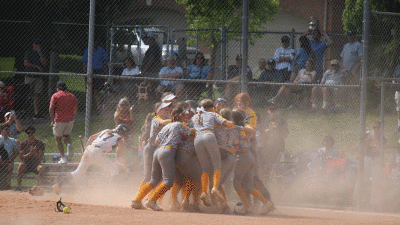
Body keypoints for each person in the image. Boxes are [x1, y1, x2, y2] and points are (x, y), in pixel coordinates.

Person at [132, 106, 194, 211]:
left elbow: (157, 141)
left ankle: (137, 200)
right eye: (183, 115)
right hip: (168, 151)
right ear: (179, 116)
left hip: (158, 151)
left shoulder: (167, 126)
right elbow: (192, 133)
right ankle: (151, 201)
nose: (185, 117)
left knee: (154, 180)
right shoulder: (179, 124)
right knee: (168, 181)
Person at [53, 124, 131, 194]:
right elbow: (120, 156)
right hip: (97, 152)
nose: (124, 137)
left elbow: (91, 138)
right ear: (123, 134)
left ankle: (58, 185)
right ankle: (116, 193)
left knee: (78, 173)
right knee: (114, 169)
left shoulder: (107, 131)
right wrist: (126, 167)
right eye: (125, 135)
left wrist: (86, 148)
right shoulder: (120, 140)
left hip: (89, 149)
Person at [189, 99, 234, 206]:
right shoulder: (212, 114)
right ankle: (214, 188)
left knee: (204, 168)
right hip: (209, 136)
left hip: (198, 138)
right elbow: (227, 123)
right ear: (210, 108)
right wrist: (232, 122)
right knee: (216, 165)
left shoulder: (195, 116)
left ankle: (204, 192)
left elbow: (190, 129)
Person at [231, 109, 275, 215]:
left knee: (236, 183)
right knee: (250, 186)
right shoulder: (248, 128)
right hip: (251, 156)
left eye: (230, 119)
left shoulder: (234, 128)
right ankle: (266, 203)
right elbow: (253, 138)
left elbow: (235, 143)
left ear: (233, 120)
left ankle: (248, 207)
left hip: (242, 157)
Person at [354, 121, 386, 211]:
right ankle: (356, 199)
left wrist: (375, 139)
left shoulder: (383, 139)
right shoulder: (368, 136)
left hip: (376, 159)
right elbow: (362, 147)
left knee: (376, 181)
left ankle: (374, 203)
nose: (376, 129)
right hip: (367, 158)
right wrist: (367, 140)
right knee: (361, 178)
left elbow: (381, 151)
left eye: (378, 128)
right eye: (375, 128)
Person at [49, 81, 78, 164]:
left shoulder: (55, 95)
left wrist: (52, 120)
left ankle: (63, 158)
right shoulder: (72, 96)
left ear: (58, 88)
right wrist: (71, 116)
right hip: (70, 120)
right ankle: (69, 147)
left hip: (59, 120)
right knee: (66, 136)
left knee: (58, 138)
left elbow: (51, 108)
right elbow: (75, 108)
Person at [82, 40, 109, 113]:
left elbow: (105, 61)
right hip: (90, 71)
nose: (94, 43)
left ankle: (99, 108)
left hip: (98, 71)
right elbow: (84, 61)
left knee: (96, 91)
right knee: (90, 91)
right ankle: (89, 109)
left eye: (95, 42)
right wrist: (85, 68)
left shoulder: (101, 50)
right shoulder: (87, 50)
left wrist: (103, 69)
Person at [23, 40, 48, 119]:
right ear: (33, 45)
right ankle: (23, 111)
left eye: (39, 44)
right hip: (29, 76)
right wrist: (36, 66)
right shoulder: (29, 52)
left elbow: (45, 64)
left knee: (37, 95)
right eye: (36, 44)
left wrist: (40, 53)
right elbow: (26, 63)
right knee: (27, 94)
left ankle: (36, 113)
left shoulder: (41, 53)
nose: (37, 46)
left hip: (38, 77)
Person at [16, 125, 45, 191]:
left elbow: (40, 158)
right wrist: (30, 153)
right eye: (29, 133)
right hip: (26, 164)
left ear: (34, 133)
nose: (31, 134)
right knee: (21, 165)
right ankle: (19, 187)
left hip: (35, 163)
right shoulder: (23, 143)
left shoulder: (39, 143)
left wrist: (34, 153)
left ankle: (37, 187)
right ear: (26, 134)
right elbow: (21, 157)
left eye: (32, 132)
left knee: (42, 168)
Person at [0, 123, 19, 190]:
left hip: (8, 161)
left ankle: (7, 186)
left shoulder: (12, 140)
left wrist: (11, 159)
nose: (8, 130)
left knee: (9, 165)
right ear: (1, 130)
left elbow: (17, 151)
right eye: (6, 129)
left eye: (9, 129)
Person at [392, 56, 400, 131]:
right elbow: (393, 78)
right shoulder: (397, 67)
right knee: (398, 109)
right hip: (398, 91)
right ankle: (399, 126)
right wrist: (393, 83)